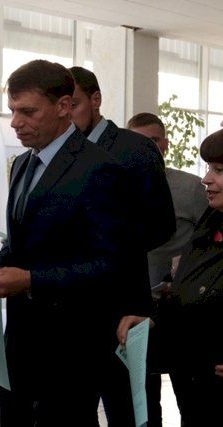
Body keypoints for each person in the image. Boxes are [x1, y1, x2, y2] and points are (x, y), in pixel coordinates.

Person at [0, 59, 131, 426]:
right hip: (22, 336)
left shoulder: (99, 168)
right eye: (12, 111)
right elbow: (21, 240)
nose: (15, 122)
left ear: (63, 106)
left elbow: (110, 265)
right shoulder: (23, 164)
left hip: (72, 344)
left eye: (27, 112)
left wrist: (29, 280)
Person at [69, 66, 175, 426]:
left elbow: (161, 225)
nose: (68, 114)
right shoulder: (60, 152)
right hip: (69, 307)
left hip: (121, 306)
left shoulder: (135, 149)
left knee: (128, 411)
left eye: (75, 104)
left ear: (96, 99)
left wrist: (106, 252)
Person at [125, 112, 208, 427]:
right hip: (133, 308)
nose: (147, 149)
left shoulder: (192, 188)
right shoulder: (117, 183)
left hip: (178, 309)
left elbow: (210, 240)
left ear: (166, 144)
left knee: (190, 395)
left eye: (153, 141)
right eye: (139, 142)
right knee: (141, 402)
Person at [144, 129, 223, 426]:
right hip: (194, 377)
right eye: (209, 168)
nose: (206, 179)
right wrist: (151, 320)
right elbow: (187, 290)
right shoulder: (210, 222)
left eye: (219, 171)